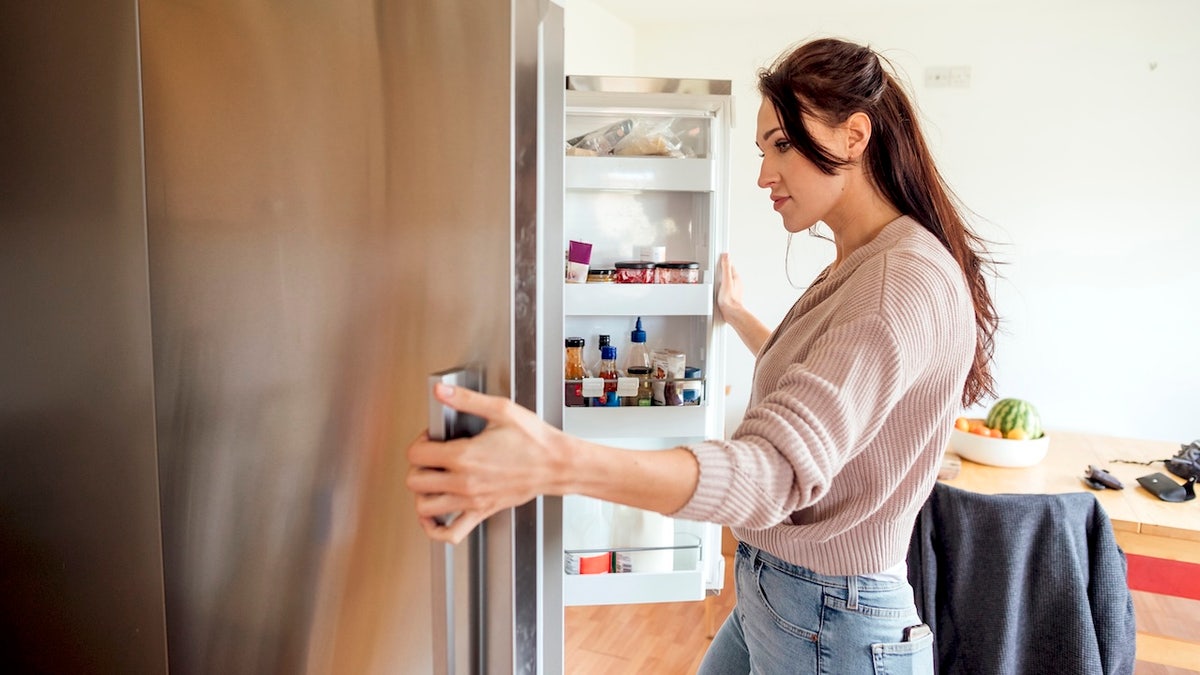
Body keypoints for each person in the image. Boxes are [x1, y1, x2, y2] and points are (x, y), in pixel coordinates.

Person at [406, 36, 997, 674]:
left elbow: (772, 474)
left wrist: (554, 463)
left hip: (833, 622)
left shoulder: (895, 281)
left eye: (782, 146)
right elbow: (828, 382)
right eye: (763, 149)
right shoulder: (871, 262)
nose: (765, 174)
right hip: (786, 597)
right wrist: (737, 314)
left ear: (855, 135)